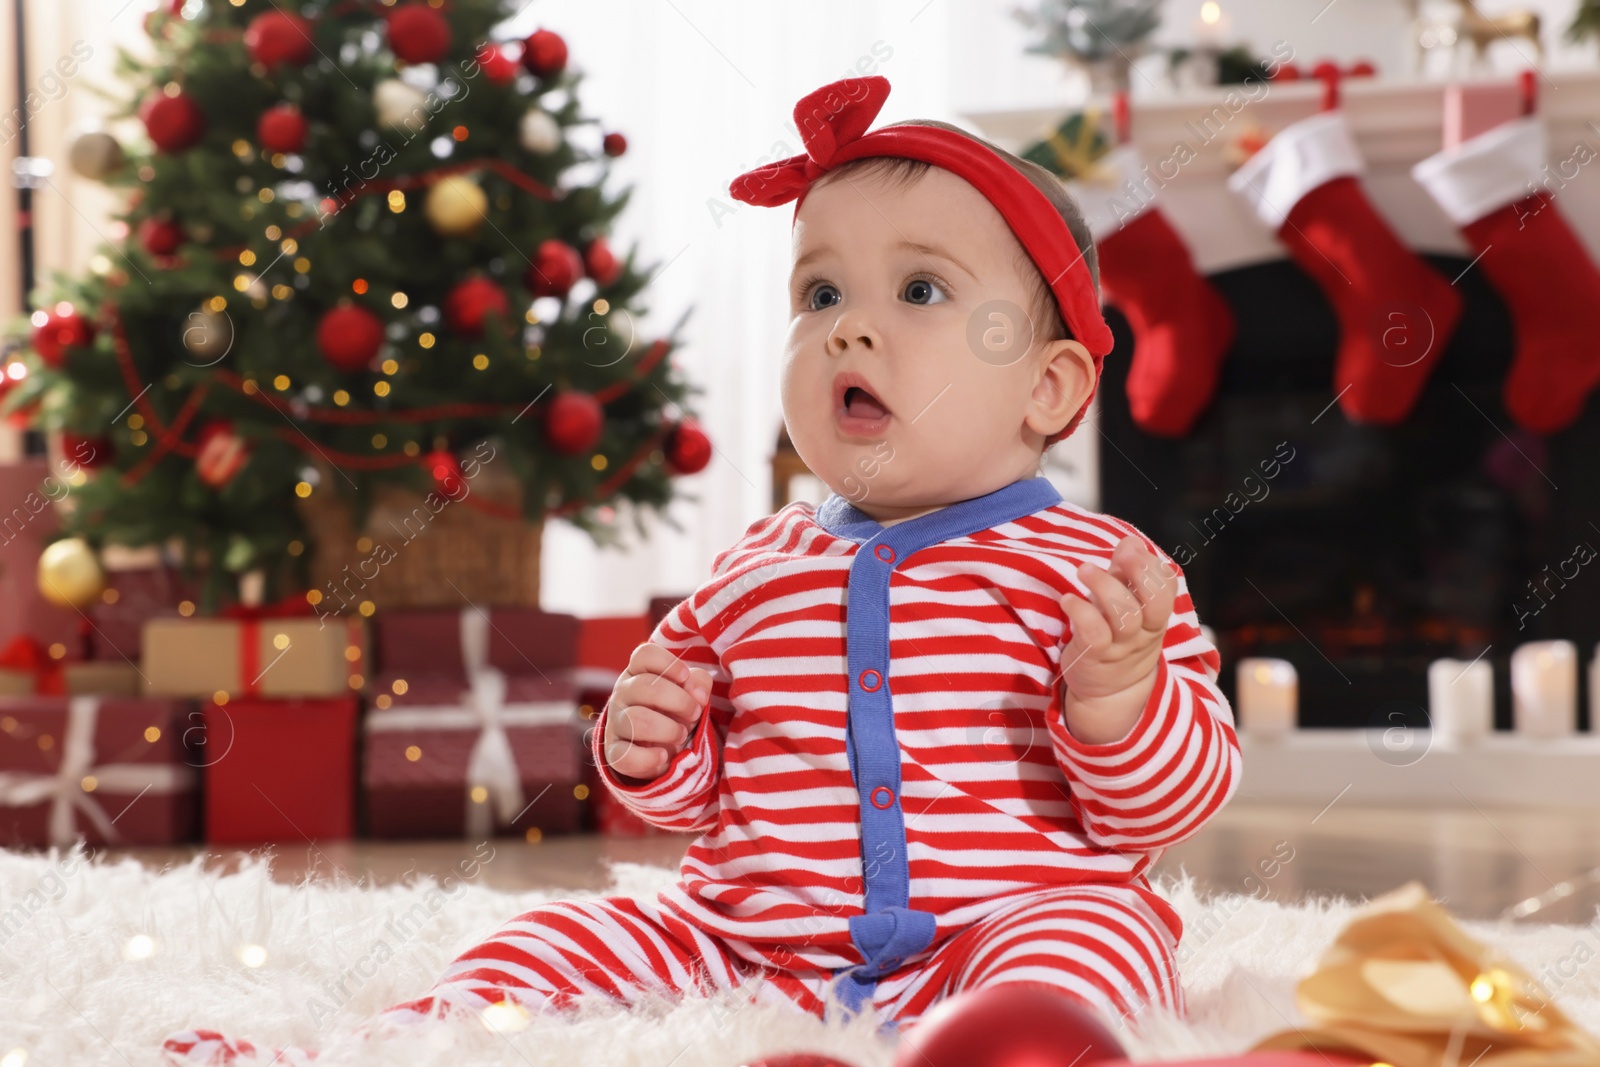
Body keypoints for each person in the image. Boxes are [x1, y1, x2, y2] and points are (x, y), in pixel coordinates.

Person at [163, 73, 1240, 1064]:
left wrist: (1117, 702)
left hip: (1004, 922)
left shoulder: (1104, 572)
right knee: (557, 936)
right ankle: (372, 1047)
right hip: (749, 945)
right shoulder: (755, 566)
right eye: (819, 296)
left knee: (1092, 946)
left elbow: (1166, 805)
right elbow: (692, 793)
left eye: (919, 291)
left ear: (1048, 390)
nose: (849, 331)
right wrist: (647, 745)